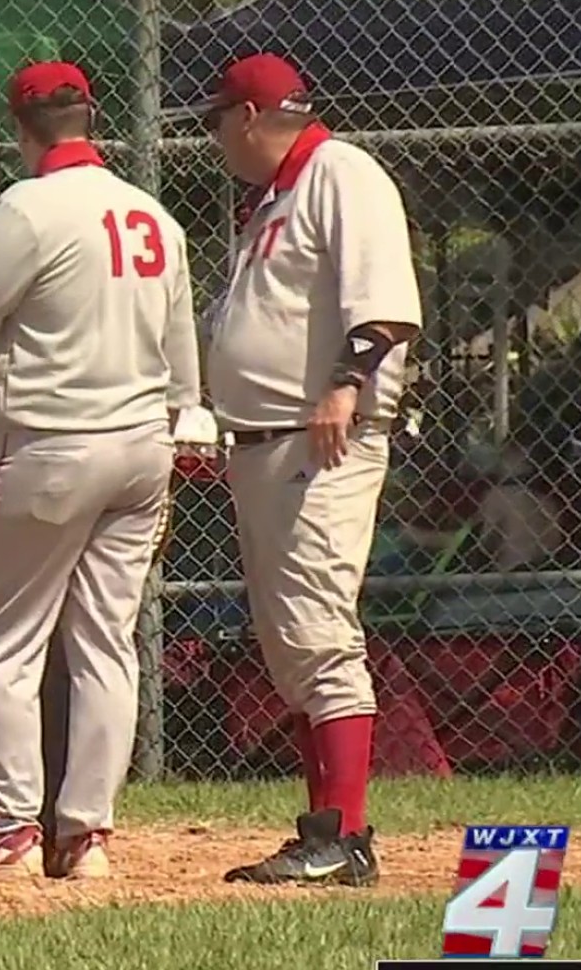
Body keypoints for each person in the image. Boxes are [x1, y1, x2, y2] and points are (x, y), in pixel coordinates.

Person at [0, 62, 198, 880]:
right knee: (107, 642)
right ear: (90, 117)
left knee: (0, 643)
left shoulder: (28, 206)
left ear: (22, 126)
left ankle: (9, 829)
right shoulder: (152, 213)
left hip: (49, 443)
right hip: (144, 442)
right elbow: (184, 368)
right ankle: (86, 836)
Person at [202, 52, 422, 887]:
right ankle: (325, 832)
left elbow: (387, 304)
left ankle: (344, 838)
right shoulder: (272, 201)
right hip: (265, 443)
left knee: (320, 634)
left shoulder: (340, 171)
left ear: (252, 116)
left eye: (220, 119)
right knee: (291, 641)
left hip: (322, 435)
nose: (218, 137)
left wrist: (343, 385)